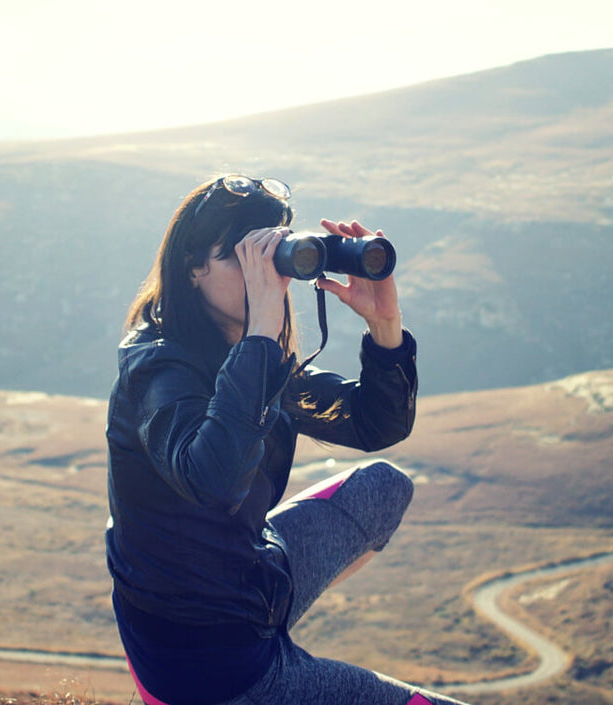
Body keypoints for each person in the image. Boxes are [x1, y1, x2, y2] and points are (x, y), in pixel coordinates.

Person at [104, 175, 471, 705]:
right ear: (192, 268)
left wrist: (384, 325)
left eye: (269, 254)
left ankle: (272, 630)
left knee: (383, 488)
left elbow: (375, 426)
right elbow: (215, 482)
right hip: (209, 664)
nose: (261, 277)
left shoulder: (254, 356)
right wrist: (261, 332)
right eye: (239, 257)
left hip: (245, 580)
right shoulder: (160, 369)